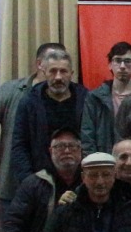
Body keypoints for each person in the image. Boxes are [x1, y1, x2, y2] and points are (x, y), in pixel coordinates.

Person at [0, 41, 65, 204]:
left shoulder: (70, 95)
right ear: (39, 64)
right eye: (52, 58)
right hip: (13, 186)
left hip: (56, 187)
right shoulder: (10, 90)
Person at [9, 50, 87, 186]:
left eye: (63, 71)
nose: (58, 77)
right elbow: (19, 145)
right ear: (44, 72)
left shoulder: (87, 100)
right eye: (53, 71)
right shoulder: (29, 102)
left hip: (81, 181)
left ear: (72, 74)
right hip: (40, 180)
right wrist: (29, 181)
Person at [81, 41, 131, 153]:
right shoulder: (95, 98)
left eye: (127, 61)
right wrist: (95, 162)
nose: (122, 66)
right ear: (110, 65)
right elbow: (87, 137)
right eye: (117, 60)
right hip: (103, 160)